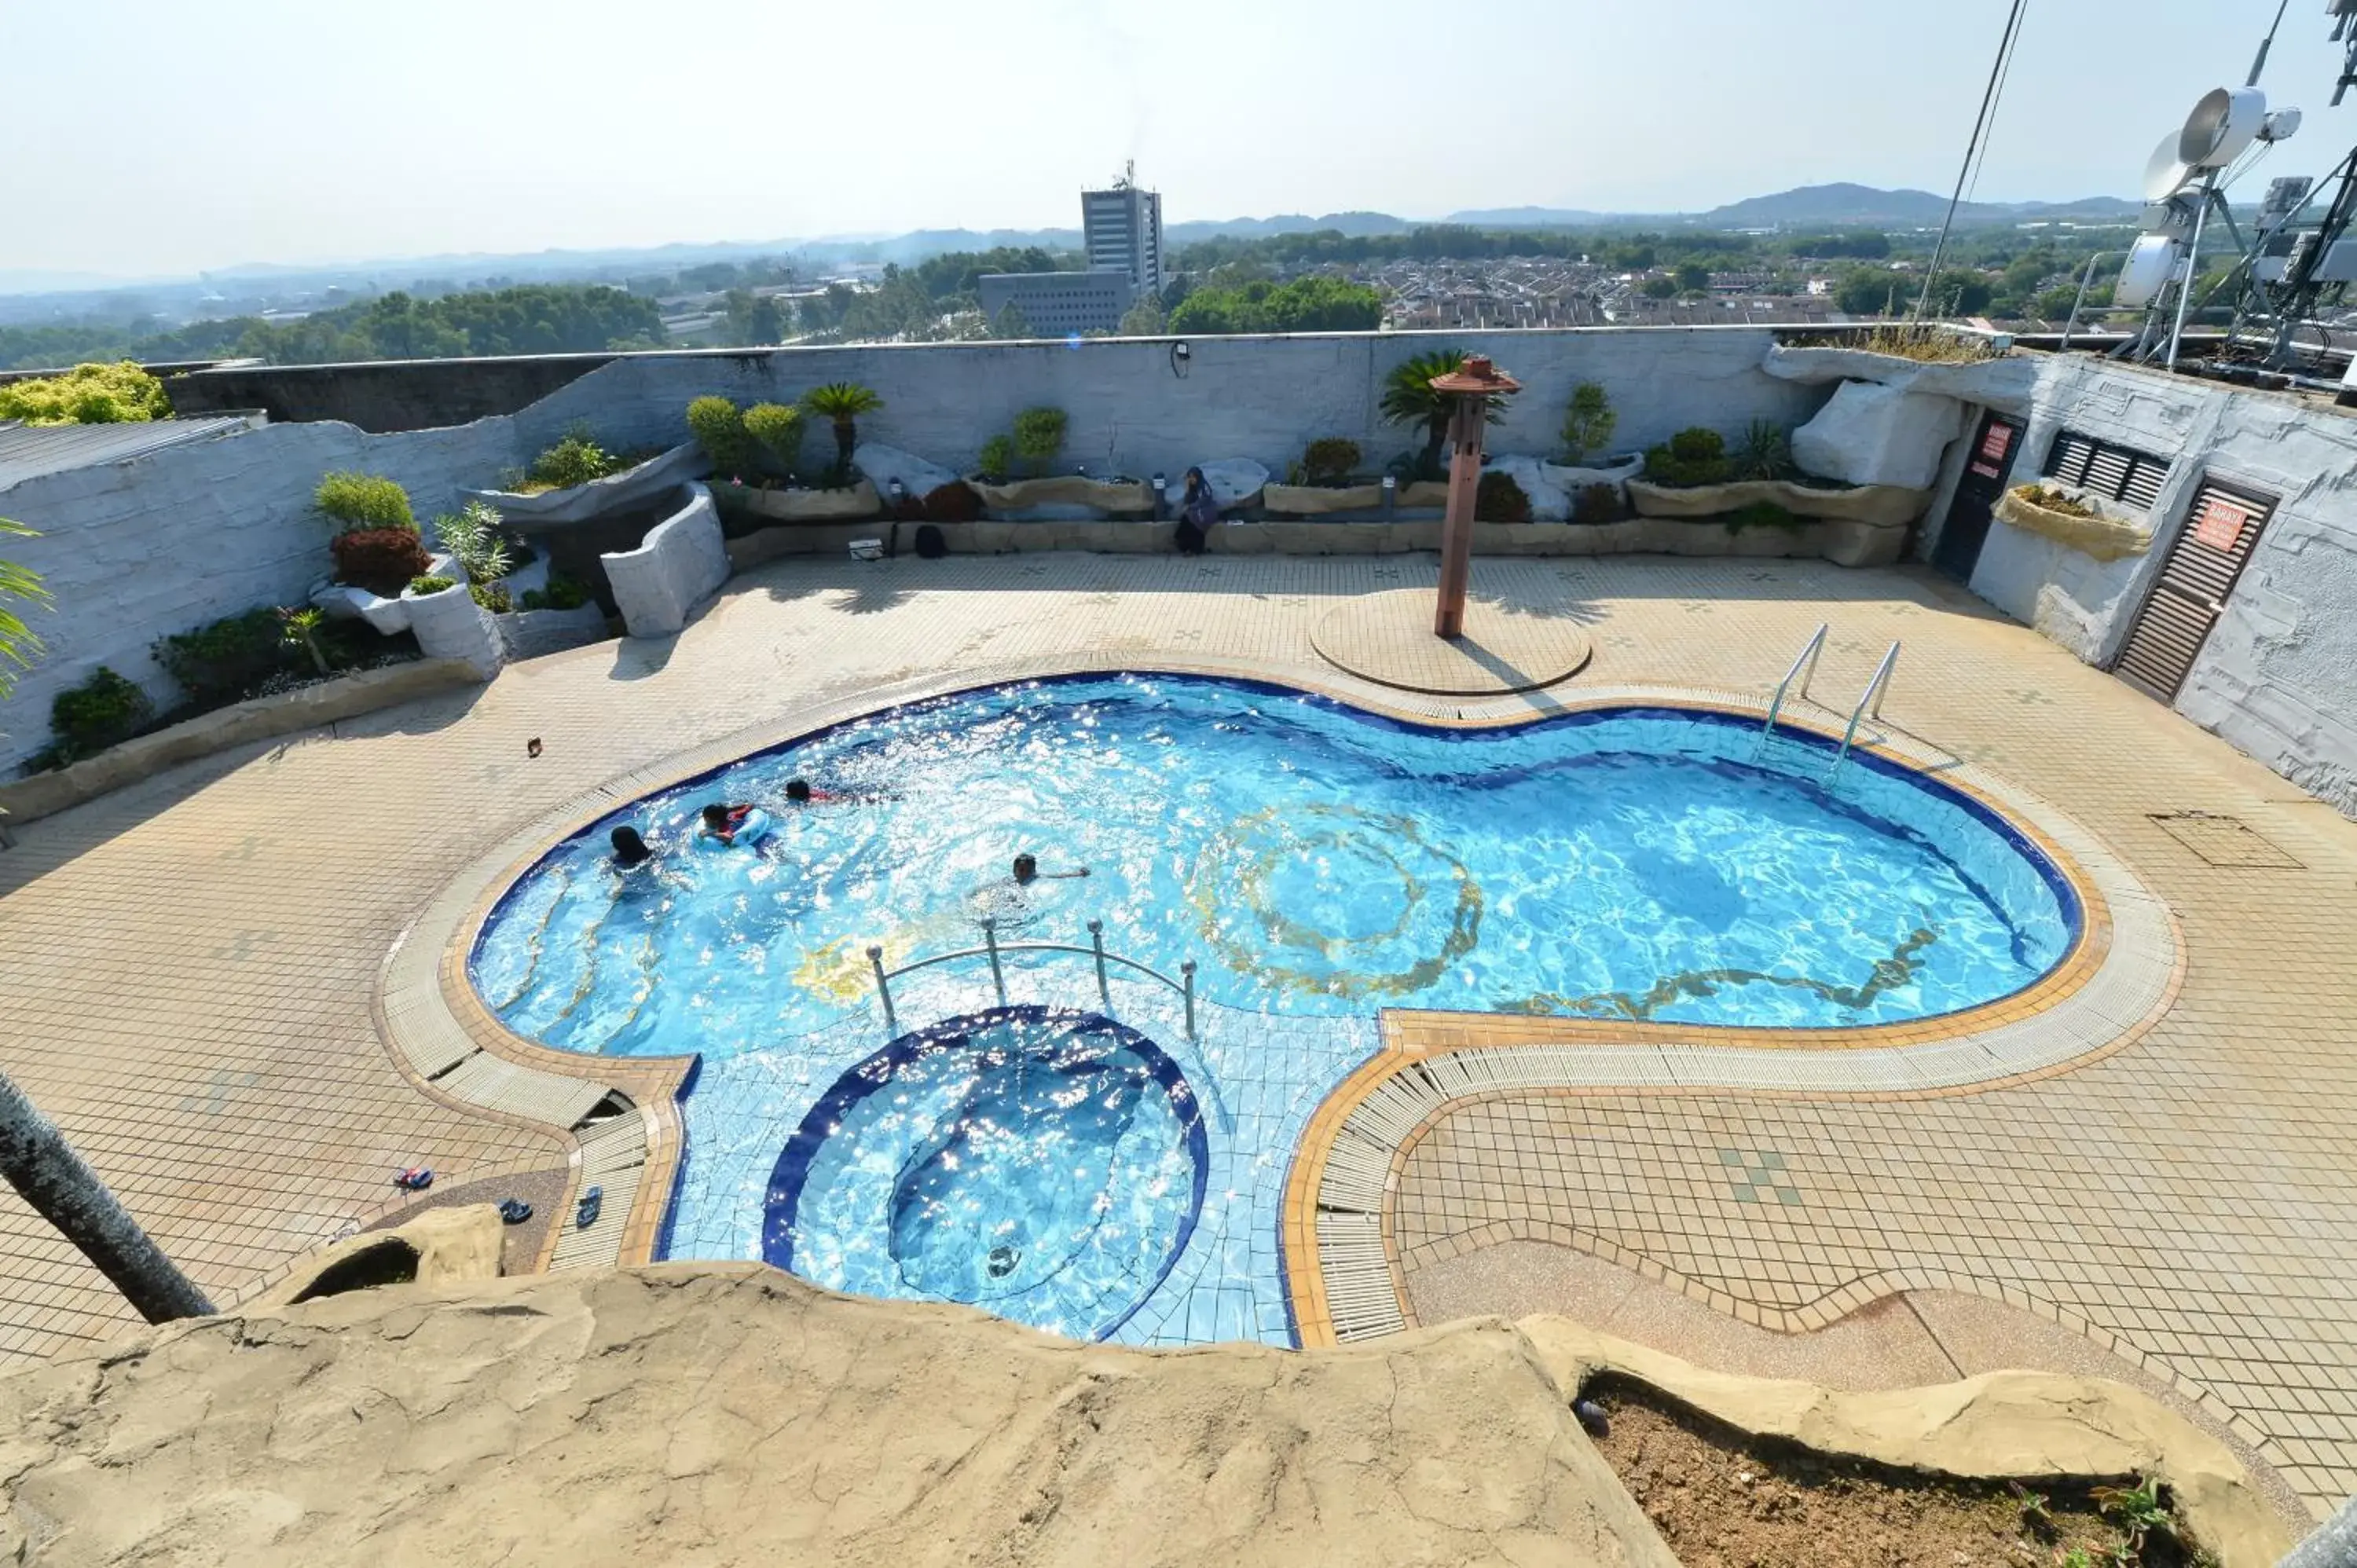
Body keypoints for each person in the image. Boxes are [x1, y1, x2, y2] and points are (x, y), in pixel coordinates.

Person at [1175, 467, 1217, 555]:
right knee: (1186, 519)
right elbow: (1188, 501)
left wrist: (1191, 507)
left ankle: (1194, 549)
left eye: (1194, 477)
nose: (1192, 480)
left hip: (1206, 511)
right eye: (1190, 477)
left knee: (1193, 522)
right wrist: (1187, 490)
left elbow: (1204, 500)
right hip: (1195, 510)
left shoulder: (1204, 487)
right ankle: (1186, 546)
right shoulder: (1192, 488)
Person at [698, 801, 772, 848]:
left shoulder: (724, 827)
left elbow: (729, 838)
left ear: (709, 819)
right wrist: (730, 809)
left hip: (755, 841)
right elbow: (750, 804)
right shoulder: (736, 814)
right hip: (764, 831)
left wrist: (709, 833)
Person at [1012, 852, 1088, 885]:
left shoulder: (1035, 877)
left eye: (1029, 870)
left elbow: (1059, 876)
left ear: (1034, 871)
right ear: (1014, 871)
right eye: (1021, 870)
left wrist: (1079, 874)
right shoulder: (1010, 882)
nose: (1025, 873)